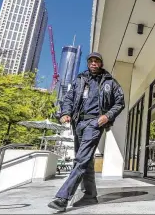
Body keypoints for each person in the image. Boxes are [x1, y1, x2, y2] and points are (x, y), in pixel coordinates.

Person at [48, 52, 125, 212]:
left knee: (81, 159)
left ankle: (63, 198)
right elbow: (69, 98)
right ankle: (90, 196)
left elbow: (120, 102)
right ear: (88, 63)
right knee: (86, 160)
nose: (94, 63)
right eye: (91, 61)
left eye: (97, 61)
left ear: (101, 64)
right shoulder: (80, 79)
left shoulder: (110, 82)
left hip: (95, 123)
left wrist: (107, 116)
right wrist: (65, 113)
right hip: (79, 123)